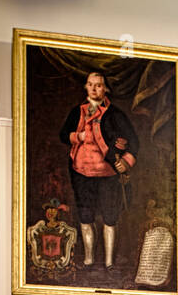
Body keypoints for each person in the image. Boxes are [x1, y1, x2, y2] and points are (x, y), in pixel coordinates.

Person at [59, 70, 139, 271]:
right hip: (81, 172)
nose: (94, 88)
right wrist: (78, 137)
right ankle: (89, 260)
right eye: (91, 84)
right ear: (86, 87)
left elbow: (134, 142)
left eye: (99, 85)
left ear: (106, 89)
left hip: (107, 175)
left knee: (110, 217)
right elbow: (63, 135)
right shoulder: (77, 112)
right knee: (86, 216)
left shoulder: (115, 115)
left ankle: (109, 262)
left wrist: (126, 161)